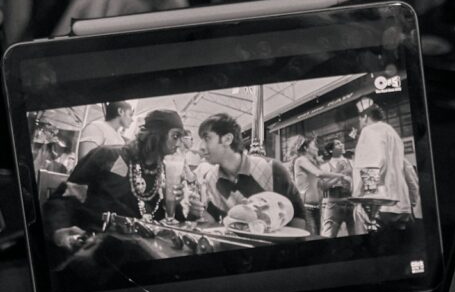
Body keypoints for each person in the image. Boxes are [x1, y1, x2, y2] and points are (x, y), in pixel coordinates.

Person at [44, 108, 187, 252]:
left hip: (136, 250)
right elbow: (65, 198)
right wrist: (59, 230)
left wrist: (173, 204)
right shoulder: (109, 157)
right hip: (91, 246)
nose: (180, 144)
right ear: (157, 134)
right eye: (175, 136)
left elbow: (159, 223)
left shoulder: (162, 174)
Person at [190, 113, 306, 231]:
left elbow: (299, 217)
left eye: (207, 138)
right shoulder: (211, 178)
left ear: (227, 139)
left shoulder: (271, 168)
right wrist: (198, 211)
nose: (201, 147)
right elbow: (215, 221)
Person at [351, 98, 413, 230]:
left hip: (379, 206)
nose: (360, 122)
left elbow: (374, 163)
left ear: (366, 116)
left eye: (360, 119)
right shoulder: (392, 132)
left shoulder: (369, 131)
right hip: (401, 205)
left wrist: (361, 197)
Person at [289, 136, 347, 235]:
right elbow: (318, 173)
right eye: (314, 146)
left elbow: (323, 185)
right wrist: (339, 174)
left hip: (316, 208)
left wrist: (339, 177)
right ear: (306, 148)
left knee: (316, 237)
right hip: (306, 208)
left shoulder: (313, 163)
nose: (317, 148)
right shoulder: (301, 160)